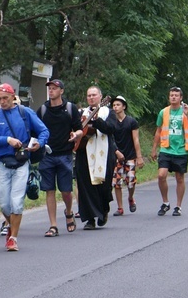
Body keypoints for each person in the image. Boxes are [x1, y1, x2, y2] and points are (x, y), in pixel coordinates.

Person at [0, 83, 49, 251]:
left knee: (17, 202)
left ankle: (13, 238)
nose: (3, 101)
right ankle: (11, 227)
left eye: (5, 98)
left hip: (21, 163)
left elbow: (44, 131)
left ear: (13, 97)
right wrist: (7, 140)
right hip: (3, 164)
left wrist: (39, 144)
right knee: (4, 204)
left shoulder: (25, 112)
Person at [35, 79, 83, 237]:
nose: (51, 91)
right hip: (47, 155)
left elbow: (80, 129)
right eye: (49, 88)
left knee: (66, 191)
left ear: (61, 91)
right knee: (49, 190)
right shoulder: (42, 110)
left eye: (54, 88)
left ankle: (69, 212)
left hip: (65, 155)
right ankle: (53, 225)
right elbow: (35, 130)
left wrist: (76, 134)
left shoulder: (70, 108)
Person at [74, 86, 117, 230]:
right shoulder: (81, 113)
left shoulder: (108, 112)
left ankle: (103, 209)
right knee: (85, 186)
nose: (91, 98)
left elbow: (111, 128)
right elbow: (75, 129)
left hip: (104, 156)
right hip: (83, 153)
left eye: (94, 95)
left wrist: (97, 121)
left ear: (100, 96)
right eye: (89, 95)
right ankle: (90, 219)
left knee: (103, 186)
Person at [151, 87, 188, 217]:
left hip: (181, 150)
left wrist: (187, 115)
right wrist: (154, 148)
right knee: (161, 175)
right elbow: (158, 130)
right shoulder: (164, 112)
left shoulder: (187, 112)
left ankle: (178, 206)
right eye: (171, 95)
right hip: (166, 148)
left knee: (179, 178)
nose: (173, 97)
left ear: (181, 98)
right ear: (169, 97)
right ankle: (165, 202)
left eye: (176, 95)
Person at [111, 96, 144, 216]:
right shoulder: (111, 121)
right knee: (117, 182)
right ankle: (120, 207)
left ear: (124, 106)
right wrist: (116, 152)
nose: (115, 107)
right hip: (117, 156)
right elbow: (110, 139)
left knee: (131, 181)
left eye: (118, 105)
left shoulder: (131, 122)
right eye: (114, 105)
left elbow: (136, 139)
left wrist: (139, 157)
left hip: (130, 155)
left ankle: (130, 197)